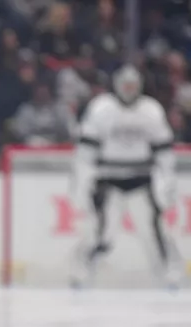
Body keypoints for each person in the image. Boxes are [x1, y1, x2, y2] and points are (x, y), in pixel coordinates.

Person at [71, 64, 184, 289]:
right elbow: (86, 150)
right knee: (101, 232)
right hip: (107, 177)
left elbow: (163, 149)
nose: (129, 89)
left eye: (133, 85)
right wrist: (82, 177)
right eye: (126, 85)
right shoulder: (101, 108)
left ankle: (170, 273)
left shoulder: (151, 110)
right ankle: (81, 272)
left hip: (142, 177)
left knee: (155, 230)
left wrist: (168, 178)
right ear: (117, 85)